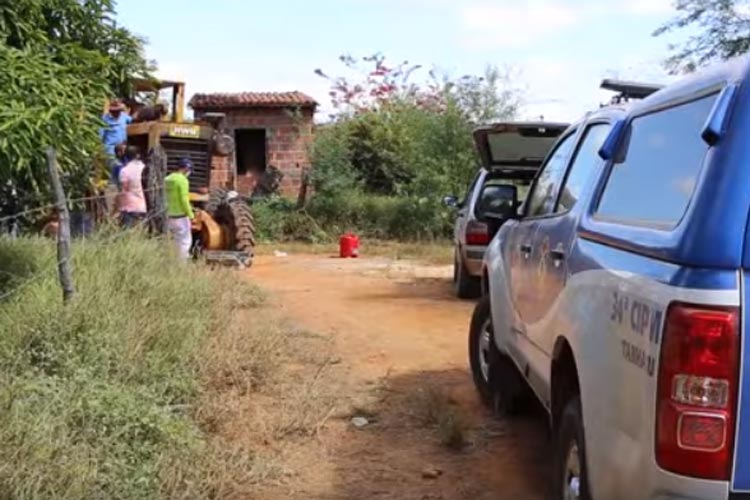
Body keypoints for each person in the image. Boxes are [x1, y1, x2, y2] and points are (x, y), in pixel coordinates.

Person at [165, 158, 195, 260]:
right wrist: (191, 215)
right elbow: (184, 200)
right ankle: (181, 265)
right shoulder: (183, 180)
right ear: (186, 168)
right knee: (185, 242)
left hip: (168, 216)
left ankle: (171, 261)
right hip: (181, 217)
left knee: (172, 241)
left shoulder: (167, 179)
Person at [117, 146, 147, 227]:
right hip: (143, 205)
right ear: (138, 155)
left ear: (126, 156)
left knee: (127, 234)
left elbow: (123, 189)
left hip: (128, 206)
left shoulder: (124, 171)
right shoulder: (145, 167)